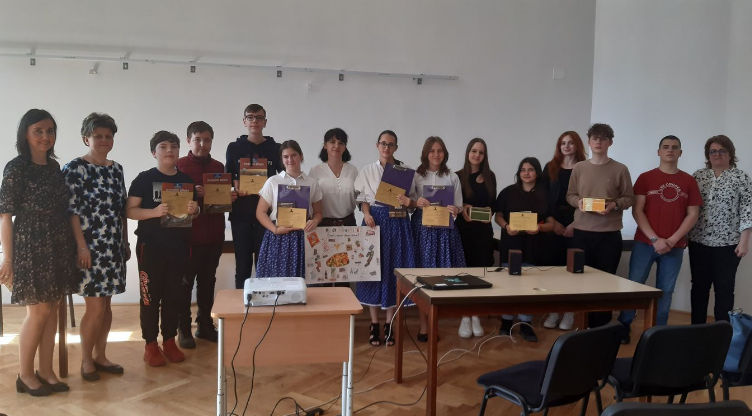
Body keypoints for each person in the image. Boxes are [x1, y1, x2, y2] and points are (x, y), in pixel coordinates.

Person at [0, 109, 77, 395]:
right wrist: (8, 258)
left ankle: (46, 370)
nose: (45, 136)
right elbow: (5, 216)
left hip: (57, 240)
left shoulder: (54, 167)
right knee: (38, 310)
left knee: (52, 308)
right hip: (30, 242)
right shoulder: (16, 167)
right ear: (25, 134)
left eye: (50, 131)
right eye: (38, 131)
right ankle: (24, 375)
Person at [63, 113, 129, 382]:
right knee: (95, 308)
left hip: (113, 247)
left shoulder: (117, 169)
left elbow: (122, 210)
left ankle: (101, 355)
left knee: (107, 305)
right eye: (98, 136)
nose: (104, 140)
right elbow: (71, 212)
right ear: (86, 139)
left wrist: (125, 241)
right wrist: (81, 248)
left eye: (108, 136)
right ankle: (86, 360)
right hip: (89, 248)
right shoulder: (74, 168)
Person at [617, 135, 701, 343]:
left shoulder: (689, 181)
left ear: (680, 153)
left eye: (674, 147)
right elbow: (637, 211)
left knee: (666, 290)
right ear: (659, 152)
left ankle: (658, 331)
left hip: (675, 246)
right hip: (645, 243)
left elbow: (693, 214)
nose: (670, 150)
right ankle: (623, 325)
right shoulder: (645, 178)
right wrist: (655, 239)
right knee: (635, 285)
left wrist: (671, 240)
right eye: (666, 147)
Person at [126, 131, 199, 367]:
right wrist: (154, 212)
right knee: (150, 297)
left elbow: (193, 213)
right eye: (163, 146)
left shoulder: (186, 180)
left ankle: (169, 341)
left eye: (174, 146)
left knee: (173, 296)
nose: (169, 150)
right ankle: (150, 344)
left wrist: (195, 210)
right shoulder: (144, 179)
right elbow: (130, 211)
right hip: (151, 247)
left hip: (179, 248)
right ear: (153, 152)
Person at [566, 123, 635, 328]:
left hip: (609, 235)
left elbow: (629, 198)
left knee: (606, 282)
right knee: (579, 280)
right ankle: (582, 324)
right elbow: (570, 195)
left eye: (603, 139)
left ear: (610, 143)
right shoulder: (579, 168)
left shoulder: (620, 169)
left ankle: (601, 327)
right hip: (581, 233)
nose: (598, 142)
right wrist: (578, 202)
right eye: (595, 138)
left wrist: (614, 205)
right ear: (589, 142)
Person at [353, 130, 418, 346]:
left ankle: (390, 323)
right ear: (377, 145)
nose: (386, 147)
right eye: (383, 143)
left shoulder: (405, 171)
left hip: (398, 223)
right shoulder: (367, 170)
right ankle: (374, 324)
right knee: (372, 272)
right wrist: (366, 214)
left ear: (396, 147)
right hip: (375, 222)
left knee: (393, 270)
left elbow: (413, 201)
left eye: (391, 144)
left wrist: (408, 202)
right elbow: (362, 199)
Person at [176, 121, 234, 348]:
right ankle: (183, 328)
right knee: (184, 284)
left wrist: (229, 196)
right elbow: (171, 198)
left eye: (207, 140)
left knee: (208, 282)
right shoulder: (179, 165)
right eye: (197, 139)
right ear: (188, 140)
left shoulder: (218, 166)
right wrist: (192, 192)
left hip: (214, 234)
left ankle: (205, 325)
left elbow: (221, 199)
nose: (202, 144)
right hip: (187, 237)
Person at [688, 135, 752, 324]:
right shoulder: (698, 176)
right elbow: (689, 208)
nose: (717, 154)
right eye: (713, 151)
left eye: (722, 150)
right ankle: (696, 329)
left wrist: (744, 242)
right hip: (698, 241)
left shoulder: (741, 178)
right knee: (699, 287)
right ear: (708, 155)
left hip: (729, 244)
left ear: (730, 153)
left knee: (724, 288)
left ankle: (721, 332)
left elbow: (747, 211)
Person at [409, 137, 467, 339]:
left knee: (442, 276)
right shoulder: (416, 176)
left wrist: (455, 209)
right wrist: (416, 202)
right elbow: (408, 203)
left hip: (445, 232)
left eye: (440, 150)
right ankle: (423, 325)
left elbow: (459, 205)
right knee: (422, 277)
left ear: (445, 153)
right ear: (426, 153)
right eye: (432, 151)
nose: (436, 154)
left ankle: (435, 322)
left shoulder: (452, 177)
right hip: (422, 231)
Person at [494, 157, 555, 342]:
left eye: (530, 169)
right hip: (510, 245)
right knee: (508, 285)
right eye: (523, 169)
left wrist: (539, 228)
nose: (526, 173)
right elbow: (498, 216)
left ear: (537, 172)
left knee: (530, 286)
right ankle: (506, 322)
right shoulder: (508, 192)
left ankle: (526, 324)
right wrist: (506, 226)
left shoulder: (545, 194)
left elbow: (552, 223)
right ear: (518, 172)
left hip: (534, 247)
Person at [226, 104, 282, 288]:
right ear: (244, 121)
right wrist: (234, 183)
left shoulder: (276, 148)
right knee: (242, 267)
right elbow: (227, 177)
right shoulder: (233, 148)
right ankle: (241, 305)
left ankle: (263, 303)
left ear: (265, 122)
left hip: (266, 216)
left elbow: (284, 178)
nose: (254, 121)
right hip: (240, 214)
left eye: (259, 118)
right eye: (250, 117)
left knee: (263, 266)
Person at [255, 140, 323, 278]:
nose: (290, 160)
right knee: (277, 278)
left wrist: (315, 221)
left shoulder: (312, 183)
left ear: (301, 156)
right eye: (285, 157)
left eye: (294, 155)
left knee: (304, 279)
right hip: (278, 236)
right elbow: (260, 212)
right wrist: (275, 229)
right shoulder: (273, 181)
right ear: (281, 159)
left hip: (304, 236)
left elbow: (318, 212)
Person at [541, 131, 587, 331]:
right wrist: (553, 222)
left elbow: (588, 198)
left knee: (573, 270)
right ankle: (553, 310)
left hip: (578, 222)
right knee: (553, 270)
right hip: (553, 222)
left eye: (570, 143)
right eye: (563, 143)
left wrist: (574, 223)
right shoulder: (550, 167)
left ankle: (569, 312)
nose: (566, 146)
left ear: (577, 145)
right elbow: (543, 198)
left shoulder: (585, 167)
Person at [455, 138, 496, 338]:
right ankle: (465, 315)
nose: (477, 155)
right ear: (468, 152)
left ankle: (476, 315)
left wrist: (490, 211)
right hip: (463, 232)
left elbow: (493, 203)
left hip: (483, 234)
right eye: (474, 151)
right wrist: (463, 208)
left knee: (481, 274)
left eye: (481, 152)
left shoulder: (490, 176)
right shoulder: (457, 176)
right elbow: (452, 204)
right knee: (464, 274)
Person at [308, 128, 358, 227]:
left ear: (345, 147)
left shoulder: (353, 170)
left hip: (349, 224)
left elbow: (360, 198)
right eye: (332, 142)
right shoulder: (315, 170)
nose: (337, 146)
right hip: (323, 225)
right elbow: (310, 200)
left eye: (341, 143)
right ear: (325, 145)